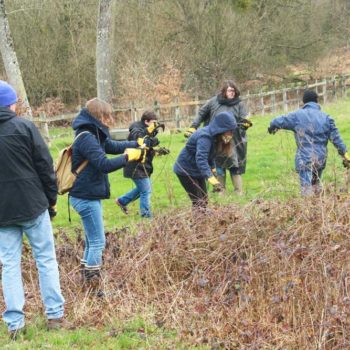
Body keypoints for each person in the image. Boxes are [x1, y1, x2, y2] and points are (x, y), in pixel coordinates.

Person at [0, 80, 66, 338]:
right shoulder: (25, 127)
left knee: (9, 265)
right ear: (11, 103)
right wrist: (51, 200)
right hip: (33, 205)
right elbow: (45, 167)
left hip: (3, 212)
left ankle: (15, 324)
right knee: (46, 259)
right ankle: (55, 315)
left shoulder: (23, 127)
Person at [69, 98, 145, 292]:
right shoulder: (86, 136)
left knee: (91, 240)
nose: (111, 118)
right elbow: (104, 164)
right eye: (108, 115)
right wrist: (129, 157)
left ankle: (86, 283)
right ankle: (94, 287)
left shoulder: (94, 132)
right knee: (97, 242)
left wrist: (136, 143)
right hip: (85, 197)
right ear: (99, 115)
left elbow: (110, 145)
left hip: (89, 194)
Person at [268, 89, 350, 196]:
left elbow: (277, 121)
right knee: (316, 187)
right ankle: (318, 210)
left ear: (304, 102)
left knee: (307, 190)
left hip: (304, 159)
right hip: (320, 159)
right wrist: (345, 155)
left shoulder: (297, 115)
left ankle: (309, 209)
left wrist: (272, 127)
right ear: (317, 101)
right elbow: (336, 139)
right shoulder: (326, 118)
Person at [184, 80, 251, 194]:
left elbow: (244, 118)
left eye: (234, 91)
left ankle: (239, 193)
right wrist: (193, 126)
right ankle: (221, 192)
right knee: (218, 164)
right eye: (230, 90)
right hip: (216, 138)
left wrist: (246, 123)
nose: (232, 93)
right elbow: (201, 113)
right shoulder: (214, 101)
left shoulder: (239, 103)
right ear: (224, 91)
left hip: (233, 139)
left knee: (234, 165)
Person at [174, 111, 237, 208]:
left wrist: (213, 171)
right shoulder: (205, 137)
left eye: (232, 131)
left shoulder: (216, 137)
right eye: (229, 131)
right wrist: (210, 177)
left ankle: (203, 221)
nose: (231, 134)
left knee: (204, 200)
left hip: (198, 170)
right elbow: (201, 159)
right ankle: (198, 222)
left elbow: (210, 157)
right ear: (221, 128)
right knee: (198, 202)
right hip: (185, 170)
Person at [116, 110, 161, 218]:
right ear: (146, 122)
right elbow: (139, 140)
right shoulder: (136, 130)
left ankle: (122, 201)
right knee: (146, 191)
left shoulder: (145, 130)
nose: (155, 126)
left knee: (144, 188)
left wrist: (156, 149)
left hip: (142, 165)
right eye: (153, 123)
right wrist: (151, 137)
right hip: (135, 165)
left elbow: (149, 143)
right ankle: (146, 215)